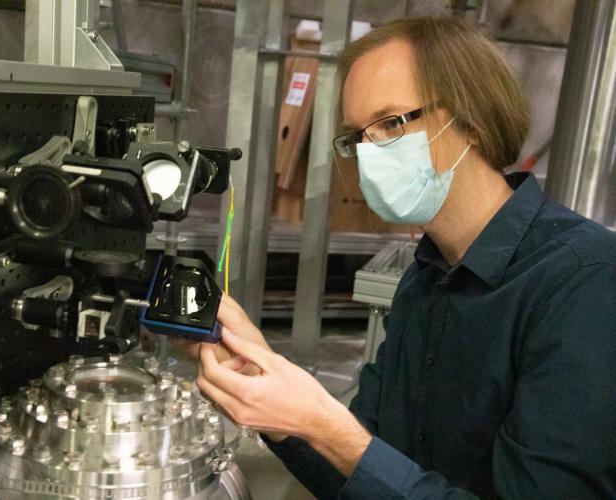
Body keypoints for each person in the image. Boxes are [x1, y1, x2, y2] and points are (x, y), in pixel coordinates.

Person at [185, 16, 616, 499]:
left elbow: (356, 451)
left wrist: (328, 427)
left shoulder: (585, 283)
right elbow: (368, 471)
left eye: (390, 123)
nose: (368, 155)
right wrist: (268, 386)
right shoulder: (424, 279)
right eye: (356, 137)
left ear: (469, 119)